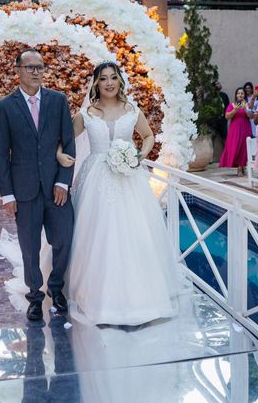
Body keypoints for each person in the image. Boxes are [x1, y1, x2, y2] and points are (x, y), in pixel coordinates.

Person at [57, 61, 181, 325]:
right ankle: (100, 299)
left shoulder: (131, 110)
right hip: (95, 181)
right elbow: (64, 139)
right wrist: (59, 153)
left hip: (129, 179)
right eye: (104, 79)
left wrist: (138, 155)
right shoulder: (87, 114)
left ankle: (141, 297)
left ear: (120, 81)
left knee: (134, 233)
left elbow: (147, 137)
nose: (109, 83)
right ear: (96, 83)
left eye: (113, 77)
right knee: (98, 235)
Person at [0, 48, 76, 321]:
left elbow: (69, 142)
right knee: (29, 247)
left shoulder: (58, 101)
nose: (35, 72)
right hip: (24, 190)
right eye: (29, 67)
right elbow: (1, 153)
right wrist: (7, 194)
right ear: (17, 70)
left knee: (63, 239)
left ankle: (56, 288)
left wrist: (64, 182)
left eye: (39, 67)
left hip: (57, 188)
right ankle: (35, 296)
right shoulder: (5, 106)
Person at [219, 87, 253, 176]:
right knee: (235, 147)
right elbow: (227, 116)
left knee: (244, 147)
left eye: (242, 93)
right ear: (236, 95)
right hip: (235, 129)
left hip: (245, 128)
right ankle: (238, 166)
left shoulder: (247, 104)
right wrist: (235, 109)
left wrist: (246, 108)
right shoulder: (232, 105)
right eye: (238, 93)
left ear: (244, 95)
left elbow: (251, 116)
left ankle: (241, 167)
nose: (240, 95)